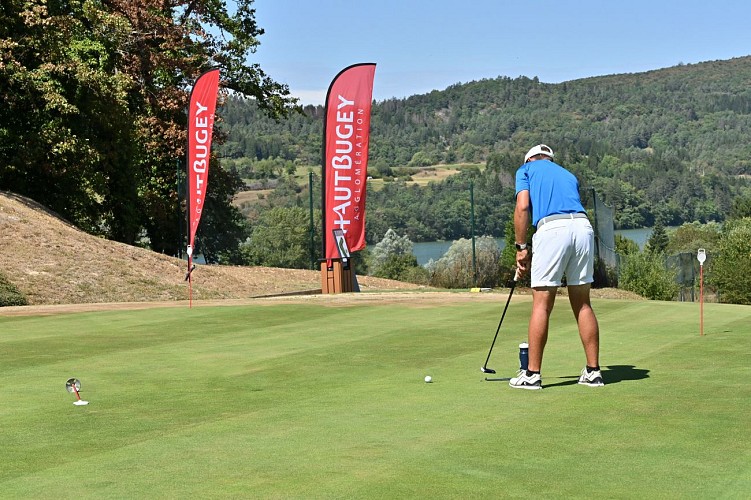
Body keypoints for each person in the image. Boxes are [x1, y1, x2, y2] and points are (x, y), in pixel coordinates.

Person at [509, 144, 603, 390]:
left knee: (542, 303)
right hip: (583, 228)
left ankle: (531, 375)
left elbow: (522, 206)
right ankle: (593, 372)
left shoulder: (526, 169)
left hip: (552, 228)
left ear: (529, 159)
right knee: (582, 302)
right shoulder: (568, 174)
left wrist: (521, 248)